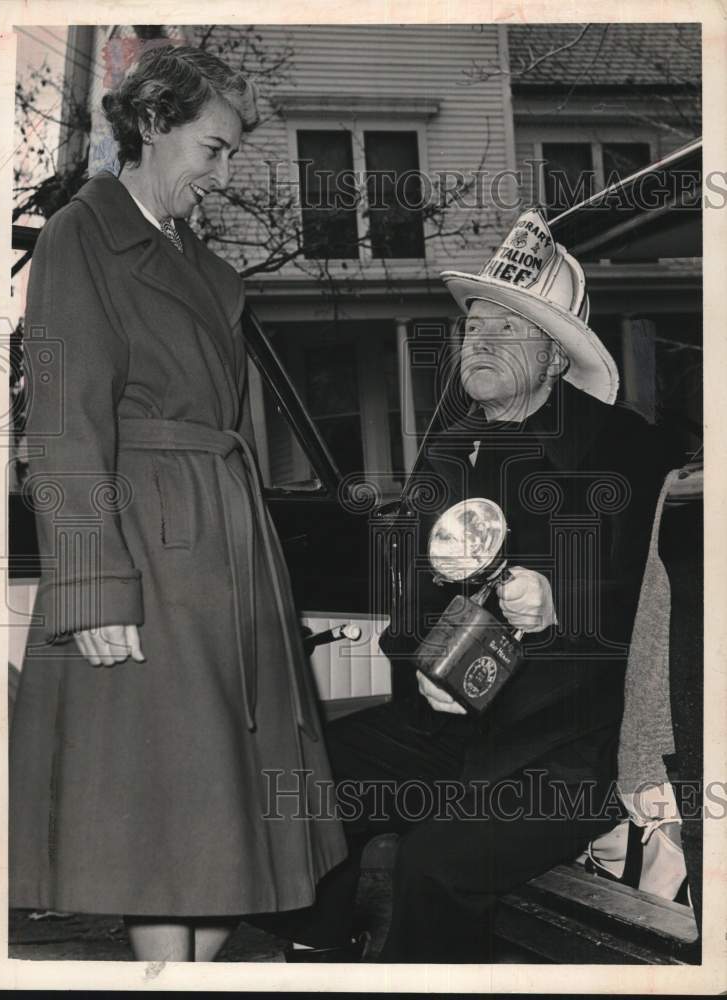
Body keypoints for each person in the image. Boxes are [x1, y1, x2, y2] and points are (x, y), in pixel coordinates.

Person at [263, 207, 675, 963]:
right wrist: (422, 665)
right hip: (445, 730)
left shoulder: (625, 449)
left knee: (433, 868)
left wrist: (559, 602)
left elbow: (649, 603)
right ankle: (318, 953)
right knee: (305, 782)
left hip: (562, 751)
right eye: (473, 326)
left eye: (507, 328)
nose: (479, 341)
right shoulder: (450, 449)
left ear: (555, 357)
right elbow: (411, 601)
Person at [9, 44, 345, 962]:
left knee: (221, 816)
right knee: (163, 823)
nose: (223, 176)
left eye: (232, 153)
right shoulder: (82, 236)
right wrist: (93, 588)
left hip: (223, 552)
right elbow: (64, 425)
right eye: (213, 149)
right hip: (146, 559)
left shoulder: (192, 258)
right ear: (153, 125)